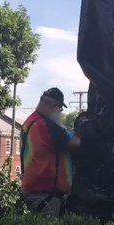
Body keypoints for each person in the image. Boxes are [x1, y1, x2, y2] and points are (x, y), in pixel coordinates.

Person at [20, 88, 81, 218]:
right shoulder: (45, 126)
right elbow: (75, 143)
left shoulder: (30, 121)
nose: (59, 112)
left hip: (32, 190)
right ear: (54, 105)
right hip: (45, 195)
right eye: (60, 108)